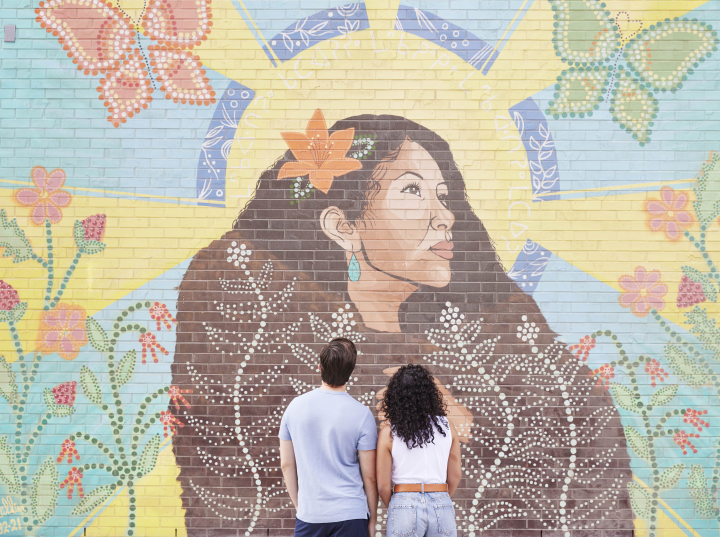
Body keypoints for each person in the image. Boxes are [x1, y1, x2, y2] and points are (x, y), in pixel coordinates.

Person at [172, 112, 634, 535]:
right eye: (413, 190)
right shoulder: (261, 336)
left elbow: (582, 438)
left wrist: (476, 425)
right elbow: (231, 466)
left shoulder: (497, 335)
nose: (446, 216)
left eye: (444, 194)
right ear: (342, 227)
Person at [279, 337, 378, 537]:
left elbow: (287, 465)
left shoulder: (294, 407)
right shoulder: (362, 414)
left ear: (319, 368)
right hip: (351, 514)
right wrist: (373, 519)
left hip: (311, 514)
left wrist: (301, 507)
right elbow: (370, 476)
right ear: (350, 373)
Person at [376, 365, 461, 537]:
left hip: (403, 502)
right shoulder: (448, 428)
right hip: (440, 502)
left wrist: (398, 504)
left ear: (396, 396)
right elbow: (455, 476)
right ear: (429, 394)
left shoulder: (389, 433)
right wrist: (439, 497)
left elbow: (383, 486)